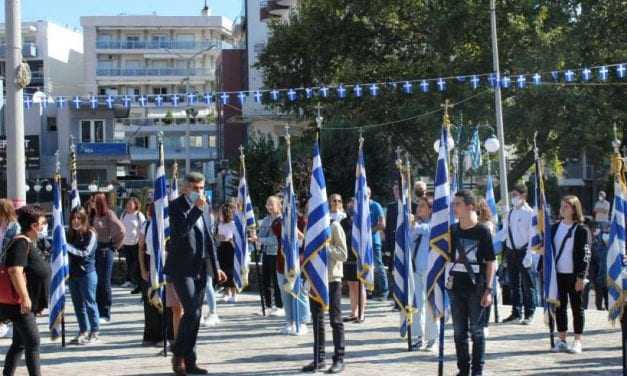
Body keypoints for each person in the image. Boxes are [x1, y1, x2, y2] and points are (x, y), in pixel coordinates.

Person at [164, 172, 226, 376]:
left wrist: (216, 266)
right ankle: (178, 354)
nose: (199, 192)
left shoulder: (205, 207)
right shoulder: (175, 207)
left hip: (200, 267)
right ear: (185, 188)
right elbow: (181, 231)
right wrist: (196, 210)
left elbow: (209, 239)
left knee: (197, 315)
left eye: (202, 188)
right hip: (182, 268)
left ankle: (190, 360)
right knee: (191, 310)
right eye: (195, 188)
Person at [448, 190, 496, 376]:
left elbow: (491, 261)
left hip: (476, 288)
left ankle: (477, 370)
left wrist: (489, 289)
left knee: (477, 332)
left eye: (458, 204)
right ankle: (463, 370)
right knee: (459, 333)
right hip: (455, 287)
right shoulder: (452, 230)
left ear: (470, 206)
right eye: (454, 204)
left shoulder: (482, 231)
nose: (454, 208)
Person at [0, 205, 51, 376]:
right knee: (33, 343)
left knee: (19, 343)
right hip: (19, 304)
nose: (45, 227)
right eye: (43, 223)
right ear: (34, 225)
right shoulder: (21, 242)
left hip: (24, 303)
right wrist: (25, 298)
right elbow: (14, 270)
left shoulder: (28, 242)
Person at [303, 216, 347, 373]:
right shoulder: (311, 227)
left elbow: (343, 254)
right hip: (315, 279)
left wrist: (325, 248)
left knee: (335, 319)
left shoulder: (334, 226)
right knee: (317, 320)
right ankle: (319, 358)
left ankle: (339, 358)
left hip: (331, 278)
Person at [551, 195, 590, 354]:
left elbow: (586, 255)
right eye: (561, 206)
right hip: (558, 274)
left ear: (574, 209)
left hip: (574, 275)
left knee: (576, 308)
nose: (562, 209)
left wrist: (581, 276)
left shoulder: (581, 230)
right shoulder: (554, 228)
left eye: (566, 206)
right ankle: (561, 339)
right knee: (559, 308)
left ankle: (578, 340)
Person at [499, 184, 536, 325]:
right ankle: (516, 313)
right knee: (514, 284)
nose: (513, 198)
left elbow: (533, 236)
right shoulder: (510, 212)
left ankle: (529, 313)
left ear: (523, 196)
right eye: (512, 195)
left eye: (515, 195)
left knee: (528, 285)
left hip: (524, 251)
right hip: (511, 251)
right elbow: (504, 232)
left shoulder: (530, 212)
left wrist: (529, 254)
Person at [67, 208, 100, 345]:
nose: (75, 221)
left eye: (78, 218)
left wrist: (67, 247)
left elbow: (85, 252)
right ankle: (83, 331)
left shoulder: (90, 233)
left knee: (90, 303)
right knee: (77, 305)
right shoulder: (70, 234)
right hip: (73, 274)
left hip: (87, 274)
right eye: (73, 218)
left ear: (84, 218)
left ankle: (95, 331)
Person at [409, 196, 438, 352]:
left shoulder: (434, 224)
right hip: (416, 268)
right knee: (417, 305)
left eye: (422, 206)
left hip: (430, 269)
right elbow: (409, 239)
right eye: (418, 206)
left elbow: (427, 231)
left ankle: (432, 337)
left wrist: (413, 224)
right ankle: (418, 336)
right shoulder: (417, 225)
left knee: (430, 305)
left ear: (430, 209)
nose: (419, 209)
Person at [92, 193, 125, 323]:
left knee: (104, 282)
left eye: (94, 200)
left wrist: (114, 245)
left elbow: (121, 230)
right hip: (95, 248)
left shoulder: (109, 214)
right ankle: (97, 310)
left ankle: (105, 312)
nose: (92, 202)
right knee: (96, 281)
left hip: (106, 249)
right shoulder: (94, 214)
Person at [138, 203, 166, 346]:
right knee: (149, 301)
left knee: (162, 300)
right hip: (150, 263)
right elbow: (141, 248)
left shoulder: (165, 226)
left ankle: (164, 335)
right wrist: (143, 269)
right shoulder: (146, 226)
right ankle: (150, 335)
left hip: (163, 265)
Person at [258, 196, 284, 316]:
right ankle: (267, 305)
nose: (268, 206)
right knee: (266, 280)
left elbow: (275, 240)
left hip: (277, 253)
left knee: (277, 280)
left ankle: (279, 306)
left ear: (279, 205)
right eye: (267, 204)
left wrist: (260, 240)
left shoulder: (281, 220)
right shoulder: (265, 220)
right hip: (266, 253)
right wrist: (256, 239)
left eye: (271, 204)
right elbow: (260, 236)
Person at [341, 198, 366, 323]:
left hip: (359, 257)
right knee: (351, 285)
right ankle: (353, 312)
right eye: (349, 205)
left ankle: (361, 313)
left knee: (359, 285)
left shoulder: (361, 222)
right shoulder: (343, 222)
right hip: (347, 257)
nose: (350, 207)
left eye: (353, 205)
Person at [0, 199, 19, 339]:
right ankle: (2, 324)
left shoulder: (14, 227)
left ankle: (11, 324)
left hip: (9, 265)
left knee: (11, 295)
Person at [120, 197, 146, 294]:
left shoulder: (139, 215)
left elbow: (143, 229)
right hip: (126, 244)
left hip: (137, 244)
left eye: (130, 204)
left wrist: (141, 242)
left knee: (137, 265)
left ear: (135, 205)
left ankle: (139, 284)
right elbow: (121, 228)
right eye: (127, 204)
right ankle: (133, 282)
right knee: (129, 264)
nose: (128, 206)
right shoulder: (124, 214)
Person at [367, 187, 387, 300]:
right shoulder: (360, 206)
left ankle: (384, 291)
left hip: (374, 241)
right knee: (366, 267)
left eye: (366, 193)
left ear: (370, 194)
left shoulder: (376, 206)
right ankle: (369, 291)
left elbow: (382, 225)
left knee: (378, 266)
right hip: (363, 243)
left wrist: (369, 231)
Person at [216, 202, 238, 303]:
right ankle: (226, 292)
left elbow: (234, 237)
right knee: (223, 269)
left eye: (221, 212)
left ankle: (234, 293)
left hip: (230, 248)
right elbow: (217, 236)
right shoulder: (220, 224)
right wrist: (218, 237)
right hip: (222, 247)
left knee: (231, 271)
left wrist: (229, 239)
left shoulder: (232, 224)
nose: (219, 214)